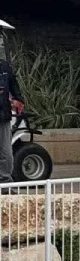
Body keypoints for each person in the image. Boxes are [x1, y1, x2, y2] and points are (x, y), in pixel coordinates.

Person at [0, 54, 24, 183]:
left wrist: (17, 99)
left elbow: (14, 86)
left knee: (5, 150)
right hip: (4, 113)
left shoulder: (4, 66)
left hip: (3, 115)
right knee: (4, 150)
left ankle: (5, 182)